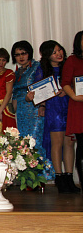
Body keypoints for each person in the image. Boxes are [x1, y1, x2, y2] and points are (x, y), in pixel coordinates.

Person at [33, 41, 78, 193]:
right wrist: (42, 105)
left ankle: (69, 176)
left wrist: (68, 90)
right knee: (57, 143)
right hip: (54, 108)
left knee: (69, 143)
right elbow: (38, 91)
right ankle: (59, 177)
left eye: (59, 50)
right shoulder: (42, 69)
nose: (59, 54)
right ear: (47, 56)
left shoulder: (68, 65)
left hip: (70, 105)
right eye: (54, 52)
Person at [12, 40, 53, 182]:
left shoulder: (37, 67)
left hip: (35, 110)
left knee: (35, 142)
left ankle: (41, 177)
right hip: (21, 111)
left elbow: (44, 87)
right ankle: (29, 178)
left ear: (29, 53)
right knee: (24, 144)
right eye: (17, 55)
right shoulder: (17, 72)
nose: (21, 57)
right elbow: (15, 94)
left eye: (23, 53)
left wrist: (42, 106)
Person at [62, 31, 83, 193]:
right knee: (82, 147)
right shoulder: (72, 60)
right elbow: (65, 83)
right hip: (79, 107)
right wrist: (74, 96)